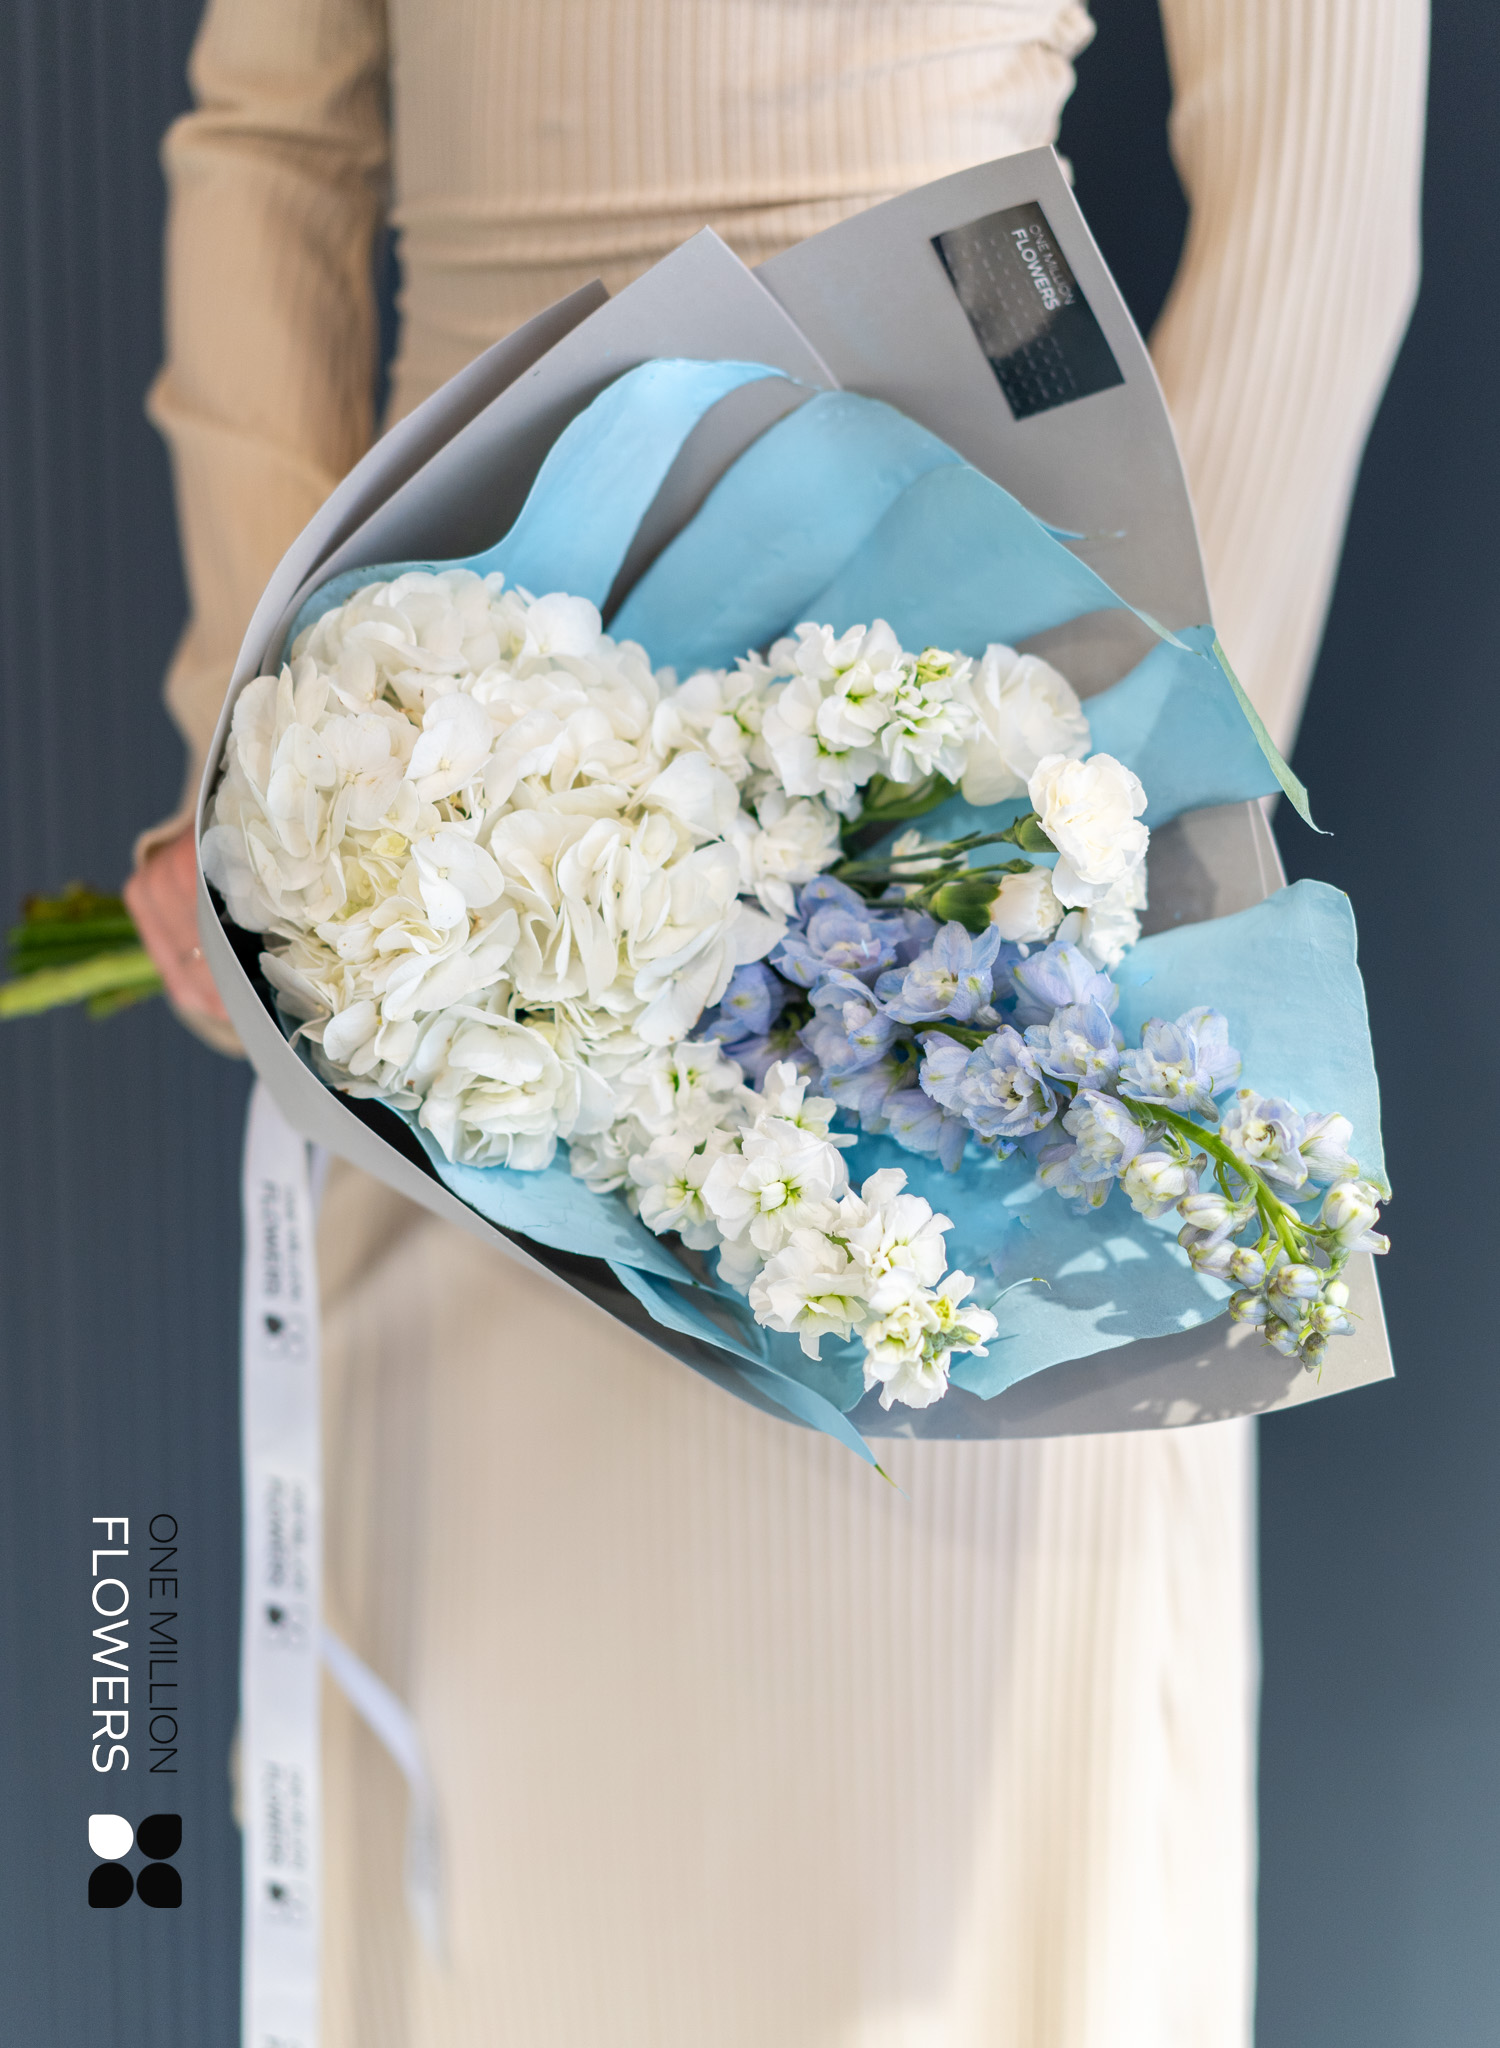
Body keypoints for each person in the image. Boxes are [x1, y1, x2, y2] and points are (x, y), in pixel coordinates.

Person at [127, 4, 1427, 2042]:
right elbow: (271, 137)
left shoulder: (1011, 902)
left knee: (945, 1882)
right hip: (447, 843)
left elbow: (1326, 183)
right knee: (509, 1865)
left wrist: (1115, 785)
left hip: (954, 854)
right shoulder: (394, 858)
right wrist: (281, 782)